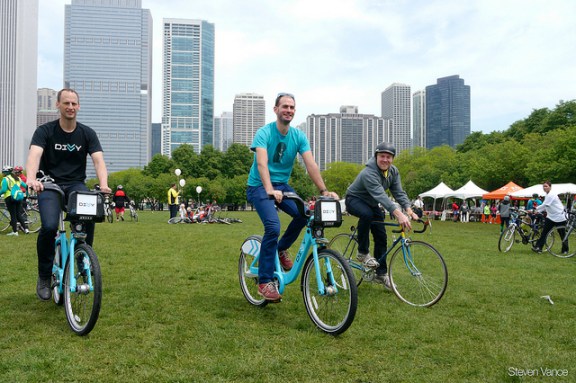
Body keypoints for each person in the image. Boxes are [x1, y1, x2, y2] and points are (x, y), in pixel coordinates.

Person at [246, 92, 338, 301]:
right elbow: (261, 163)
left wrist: (324, 190)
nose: (288, 110)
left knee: (306, 215)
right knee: (273, 227)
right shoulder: (264, 133)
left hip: (282, 185)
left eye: (292, 107)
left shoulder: (298, 136)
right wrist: (269, 188)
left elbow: (310, 164)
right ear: (276, 109)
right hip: (259, 185)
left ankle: (281, 249)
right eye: (284, 106)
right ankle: (264, 281)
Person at [26, 88, 111, 301]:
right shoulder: (45, 131)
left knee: (90, 212)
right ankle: (45, 275)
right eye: (66, 103)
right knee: (48, 227)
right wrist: (31, 178)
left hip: (75, 185)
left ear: (78, 106)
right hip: (50, 185)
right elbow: (34, 155)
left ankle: (83, 259)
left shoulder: (87, 133)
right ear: (58, 105)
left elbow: (98, 160)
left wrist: (104, 184)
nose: (70, 107)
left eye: (74, 103)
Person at [345, 142, 419, 290]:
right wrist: (398, 214)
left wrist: (408, 209)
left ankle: (381, 274)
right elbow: (381, 196)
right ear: (376, 157)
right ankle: (363, 253)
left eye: (388, 157)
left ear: (393, 159)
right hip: (354, 199)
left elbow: (398, 192)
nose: (385, 160)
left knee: (381, 236)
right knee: (366, 215)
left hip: (372, 203)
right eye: (382, 156)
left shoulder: (393, 172)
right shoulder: (369, 173)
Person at [532, 181, 568, 253]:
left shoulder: (551, 195)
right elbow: (545, 207)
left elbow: (545, 205)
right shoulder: (547, 195)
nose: (544, 188)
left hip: (559, 217)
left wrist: (535, 209)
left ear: (550, 187)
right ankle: (538, 247)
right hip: (551, 217)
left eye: (546, 186)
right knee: (544, 233)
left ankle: (565, 250)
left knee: (562, 234)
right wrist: (536, 211)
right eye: (544, 186)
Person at [0, 166, 29, 236]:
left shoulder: (5, 179)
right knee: (18, 214)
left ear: (5, 172)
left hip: (10, 198)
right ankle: (26, 229)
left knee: (13, 215)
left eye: (3, 172)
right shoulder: (17, 178)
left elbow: (3, 190)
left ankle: (15, 232)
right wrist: (27, 194)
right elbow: (26, 186)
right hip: (18, 198)